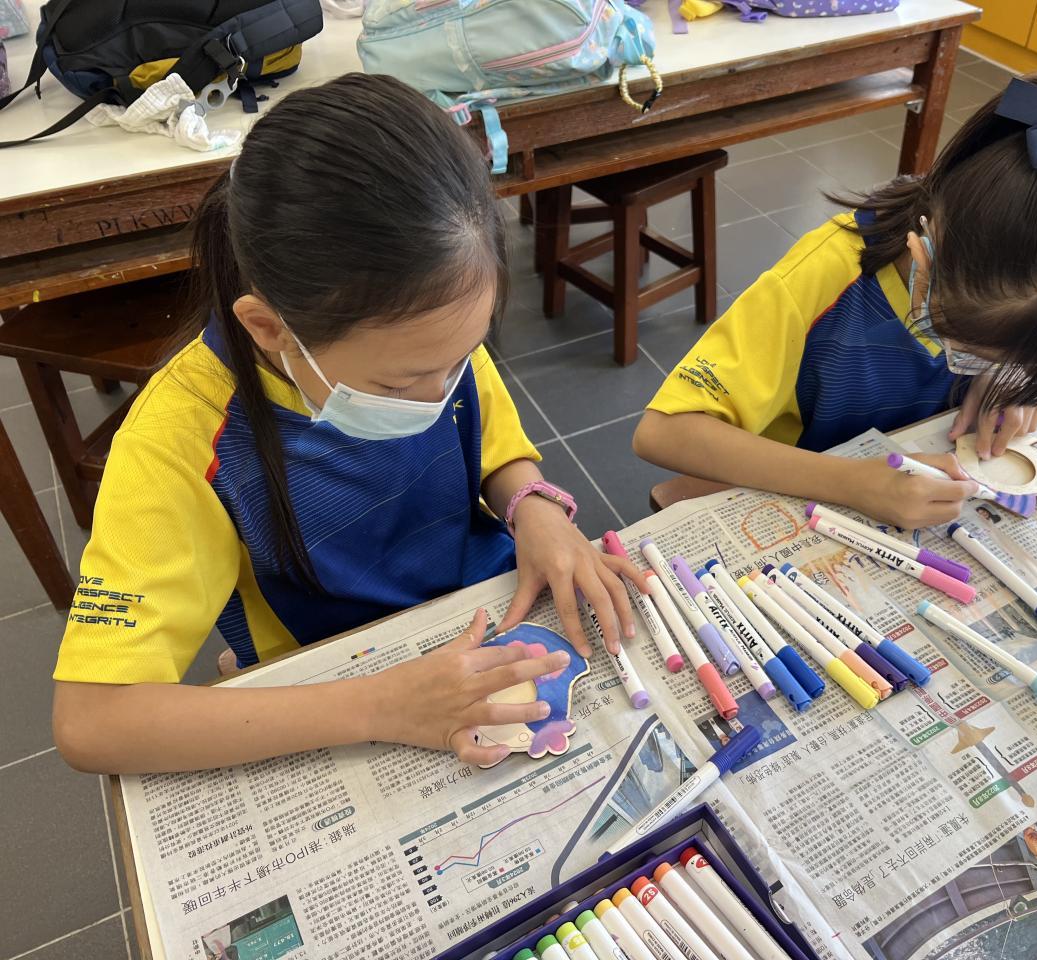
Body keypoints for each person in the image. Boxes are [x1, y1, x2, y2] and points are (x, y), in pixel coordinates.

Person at [51, 74, 644, 775]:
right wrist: (381, 706)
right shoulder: (179, 441)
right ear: (269, 328)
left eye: (463, 357)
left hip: (478, 609)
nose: (438, 392)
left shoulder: (428, 334)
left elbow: (493, 441)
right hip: (336, 675)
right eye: (397, 386)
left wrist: (533, 506)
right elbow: (91, 723)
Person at [633, 56, 1037, 531]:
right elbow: (663, 432)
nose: (969, 363)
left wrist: (1011, 384)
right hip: (797, 483)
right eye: (968, 349)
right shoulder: (829, 273)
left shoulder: (1030, 283)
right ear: (922, 256)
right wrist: (853, 484)